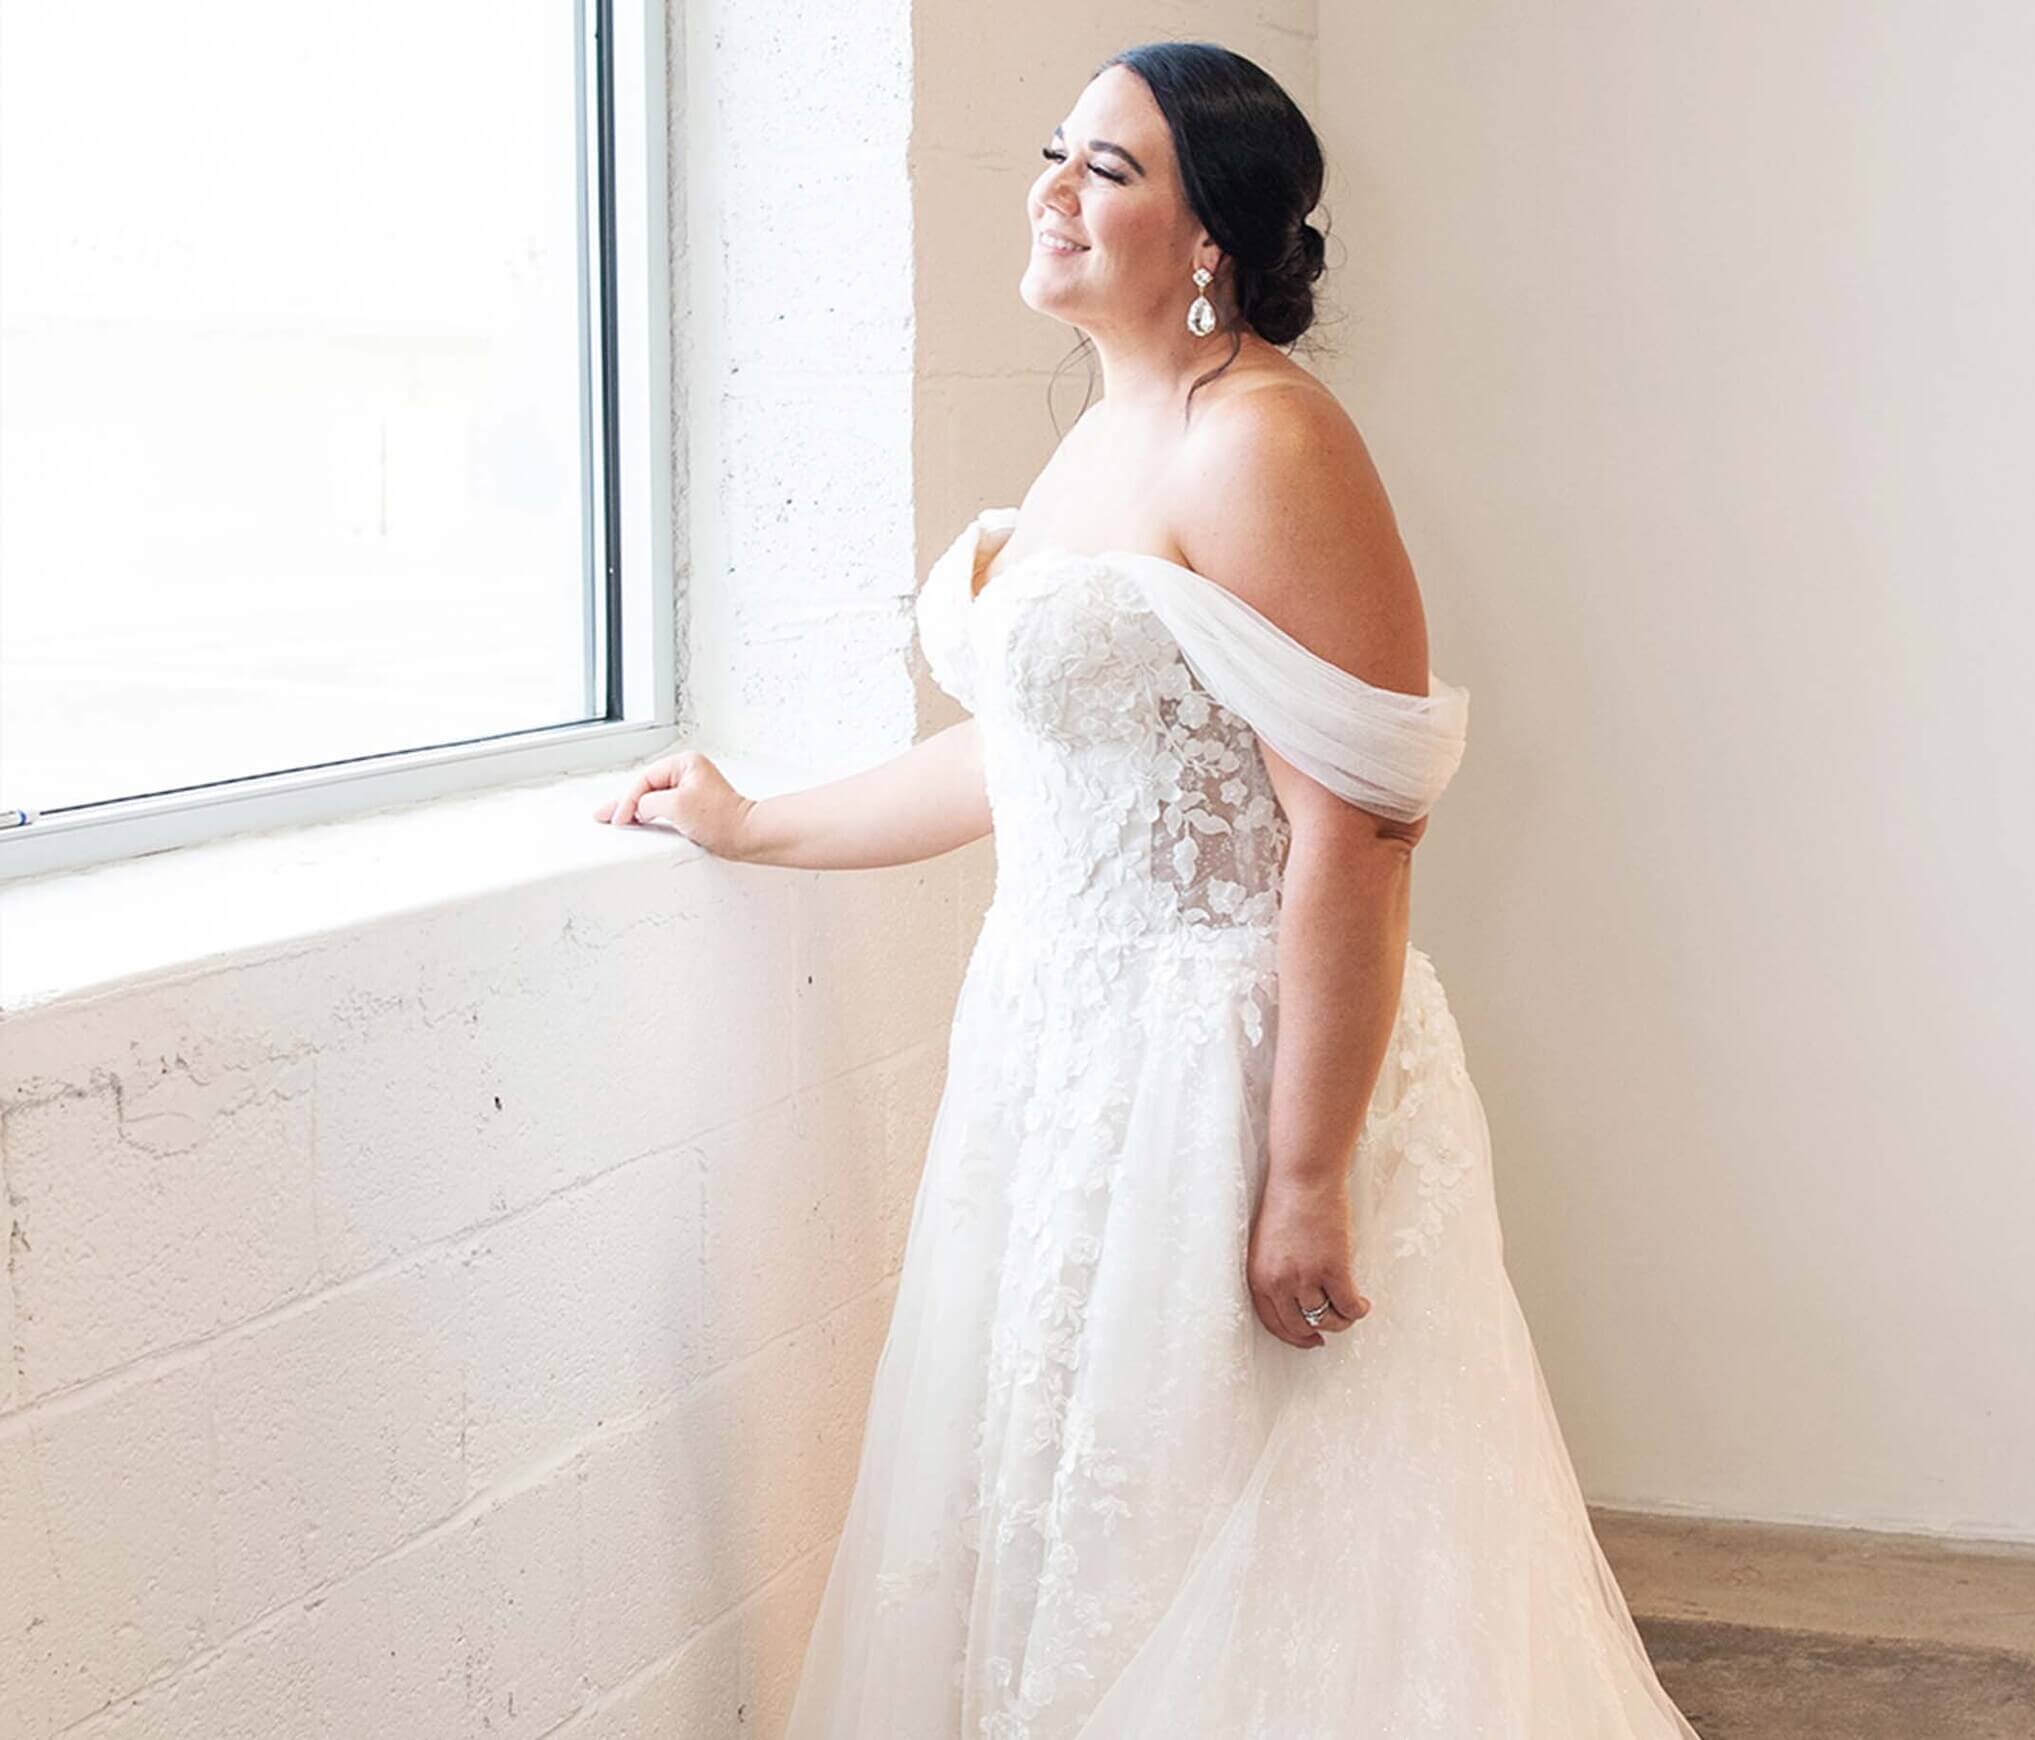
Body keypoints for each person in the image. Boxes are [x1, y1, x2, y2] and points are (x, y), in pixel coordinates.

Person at [595, 39, 1701, 1739]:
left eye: (1108, 170)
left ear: (1212, 242)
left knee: (1223, 1528)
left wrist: (1307, 1172)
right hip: (1056, 1057)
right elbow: (1038, 768)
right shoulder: (1104, 436)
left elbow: (1356, 830)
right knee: (1057, 1503)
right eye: (1054, 153)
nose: (1049, 191)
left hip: (1221, 1074)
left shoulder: (1264, 441)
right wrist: (756, 827)